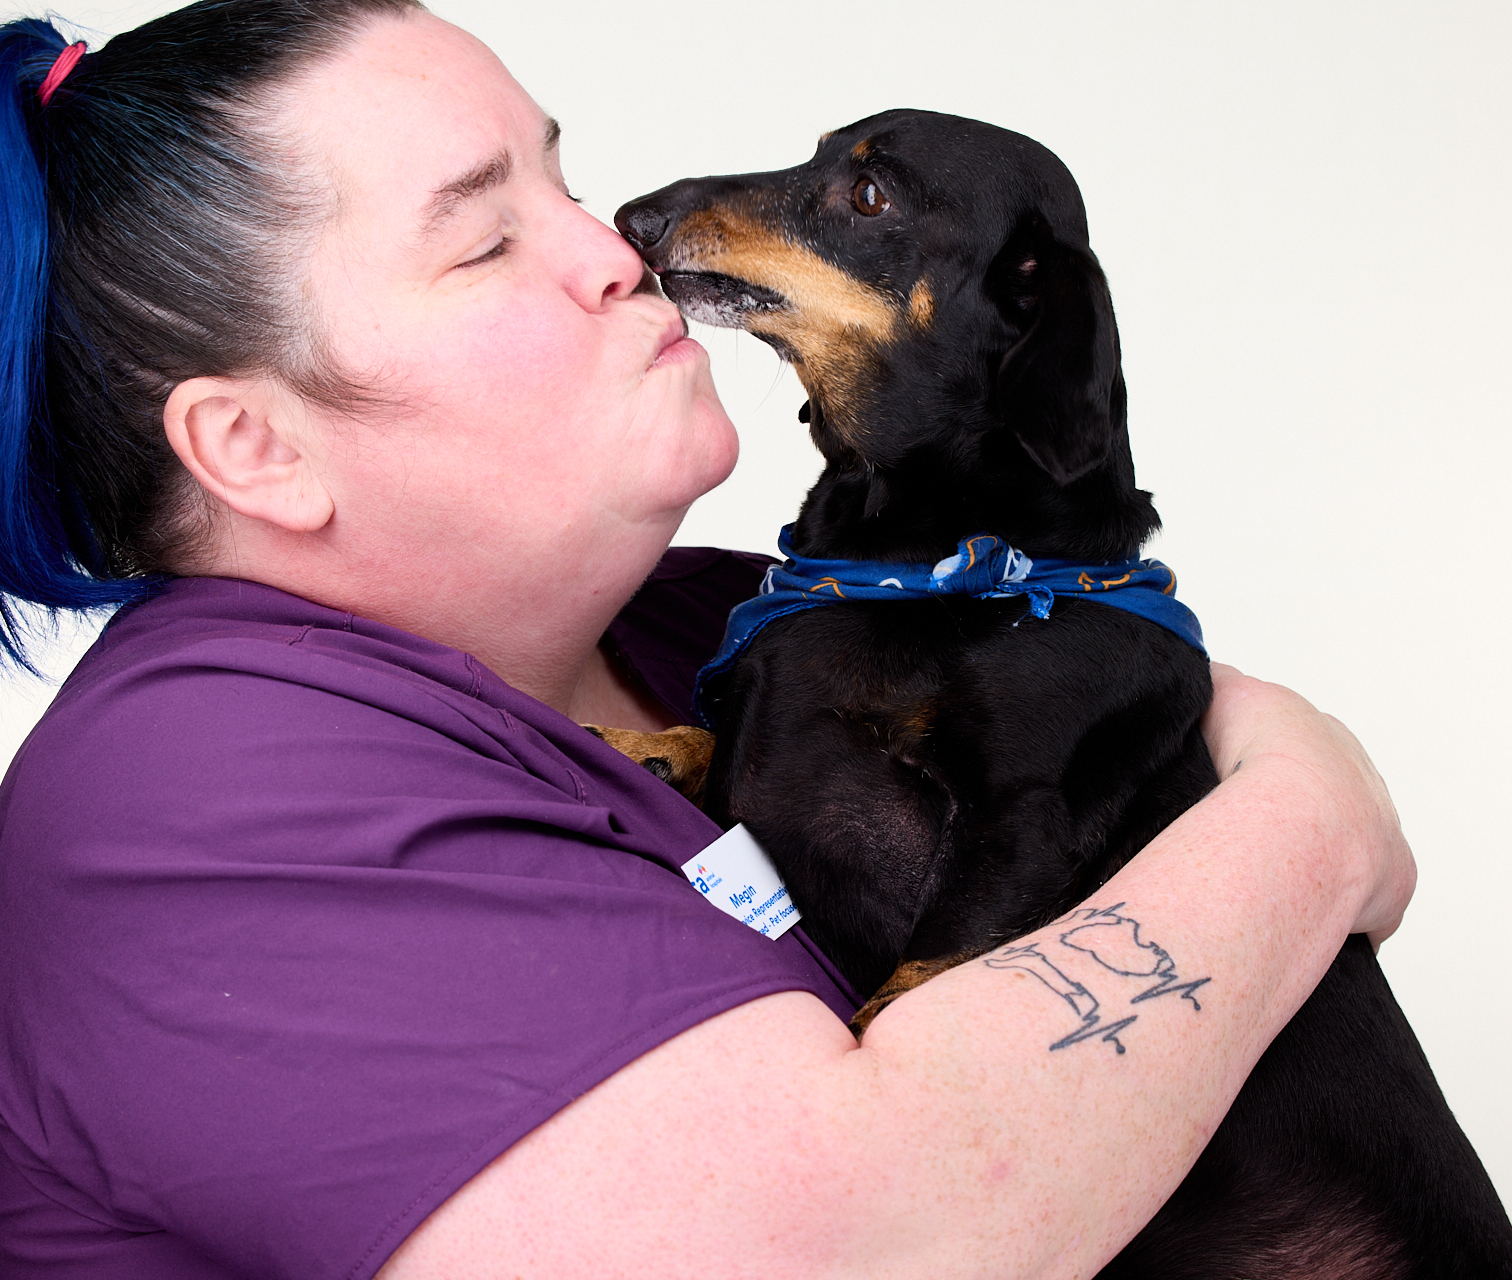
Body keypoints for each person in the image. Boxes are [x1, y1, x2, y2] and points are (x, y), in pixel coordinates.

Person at [0, 2, 1416, 1276]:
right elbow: (886, 1245)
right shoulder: (192, 811)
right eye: (488, 237)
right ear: (254, 445)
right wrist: (1316, 821)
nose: (616, 241)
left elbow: (1137, 719)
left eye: (562, 178)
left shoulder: (741, 618)